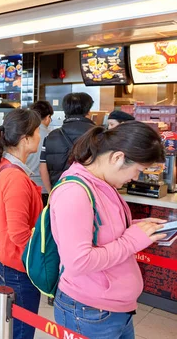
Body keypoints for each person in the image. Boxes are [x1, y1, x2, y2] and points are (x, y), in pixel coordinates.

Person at [50, 122, 166, 339]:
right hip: (89, 312)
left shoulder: (102, 184)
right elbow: (78, 262)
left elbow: (103, 230)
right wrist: (132, 240)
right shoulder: (75, 192)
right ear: (117, 158)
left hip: (114, 310)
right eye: (138, 171)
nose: (135, 178)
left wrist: (138, 228)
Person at [0, 108, 43, 339]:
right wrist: (44, 255)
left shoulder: (6, 167)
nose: (41, 135)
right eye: (38, 131)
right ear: (25, 139)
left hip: (7, 261)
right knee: (21, 332)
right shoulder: (16, 178)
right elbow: (19, 234)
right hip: (17, 269)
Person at [40, 92, 95, 192]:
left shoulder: (51, 136)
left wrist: (51, 194)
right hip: (91, 193)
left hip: (60, 193)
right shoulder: (100, 134)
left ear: (65, 111)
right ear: (88, 111)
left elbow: (43, 169)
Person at [27, 100, 54, 204]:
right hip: (43, 188)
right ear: (47, 117)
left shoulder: (23, 133)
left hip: (25, 185)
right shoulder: (51, 136)